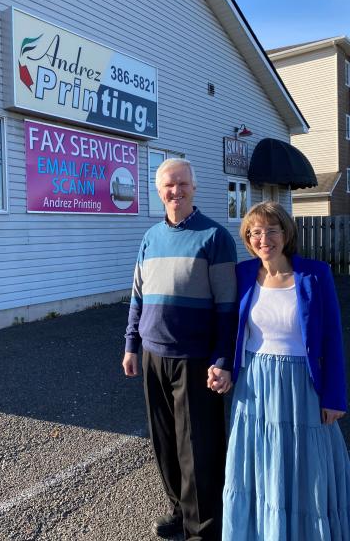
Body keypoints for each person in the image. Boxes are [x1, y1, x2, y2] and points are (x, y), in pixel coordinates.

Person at [208, 201, 350, 540]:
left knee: (306, 466)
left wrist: (335, 396)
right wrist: (221, 365)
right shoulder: (242, 275)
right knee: (258, 464)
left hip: (302, 386)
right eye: (255, 232)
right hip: (255, 384)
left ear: (285, 233)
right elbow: (228, 329)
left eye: (271, 230)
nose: (263, 238)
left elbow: (332, 338)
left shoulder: (315, 274)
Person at [123, 158, 237, 541]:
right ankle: (180, 510)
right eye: (168, 186)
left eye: (182, 184)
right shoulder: (150, 238)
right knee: (165, 442)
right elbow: (137, 297)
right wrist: (131, 346)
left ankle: (203, 528)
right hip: (154, 355)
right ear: (159, 193)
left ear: (194, 186)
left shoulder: (215, 237)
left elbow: (226, 307)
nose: (176, 191)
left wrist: (223, 360)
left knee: (198, 448)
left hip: (196, 359)